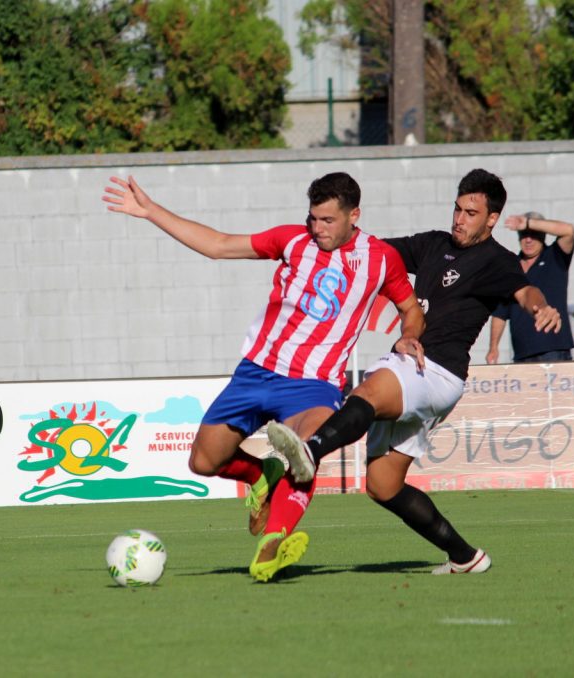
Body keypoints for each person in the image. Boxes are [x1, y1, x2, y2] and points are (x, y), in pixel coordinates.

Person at [103, 172, 425, 582]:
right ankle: (261, 474)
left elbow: (411, 310)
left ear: (354, 215)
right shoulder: (292, 240)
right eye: (313, 218)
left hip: (313, 385)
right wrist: (150, 212)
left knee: (307, 451)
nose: (317, 228)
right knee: (203, 461)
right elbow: (219, 246)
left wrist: (408, 336)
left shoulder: (382, 259)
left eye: (327, 220)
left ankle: (272, 545)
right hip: (255, 373)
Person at [267, 169, 561, 575]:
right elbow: (377, 251)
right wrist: (333, 233)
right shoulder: (433, 244)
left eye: (471, 212)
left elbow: (525, 291)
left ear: (492, 219)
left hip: (436, 370)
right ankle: (466, 557)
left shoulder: (498, 261)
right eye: (458, 208)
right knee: (383, 486)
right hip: (418, 372)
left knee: (367, 393)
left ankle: (309, 451)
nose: (460, 218)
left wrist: (539, 308)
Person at [486, 212, 574, 364]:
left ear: (543, 235)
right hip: (522, 354)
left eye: (533, 235)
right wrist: (493, 347)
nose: (528, 240)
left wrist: (527, 223)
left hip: (553, 350)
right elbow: (500, 313)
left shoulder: (555, 256)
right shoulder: (511, 267)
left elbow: (568, 230)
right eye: (524, 235)